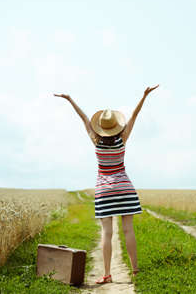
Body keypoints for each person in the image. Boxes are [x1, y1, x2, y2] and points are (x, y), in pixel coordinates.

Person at [53, 84, 159, 284]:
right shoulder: (123, 139)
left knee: (106, 233)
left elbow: (83, 118)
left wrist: (69, 99)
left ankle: (108, 274)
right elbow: (135, 116)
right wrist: (144, 96)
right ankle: (135, 271)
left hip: (104, 191)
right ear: (116, 126)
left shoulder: (95, 140)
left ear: (101, 127)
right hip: (125, 188)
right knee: (128, 230)